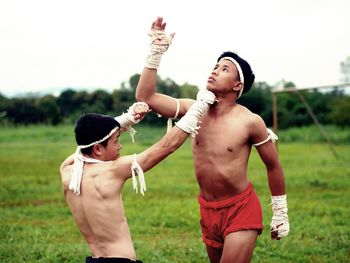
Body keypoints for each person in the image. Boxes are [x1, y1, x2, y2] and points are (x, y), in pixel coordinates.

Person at [135, 17, 290, 263]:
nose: (215, 70)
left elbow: (274, 165)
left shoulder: (250, 121)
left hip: (241, 209)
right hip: (208, 210)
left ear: (238, 85)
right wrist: (155, 52)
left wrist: (280, 211)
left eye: (224, 69)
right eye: (215, 66)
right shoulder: (193, 109)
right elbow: (146, 95)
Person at [60, 92, 216, 263]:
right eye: (116, 140)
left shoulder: (67, 171)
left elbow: (83, 146)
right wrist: (198, 108)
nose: (119, 146)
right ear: (97, 149)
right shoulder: (113, 170)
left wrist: (129, 117)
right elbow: (166, 146)